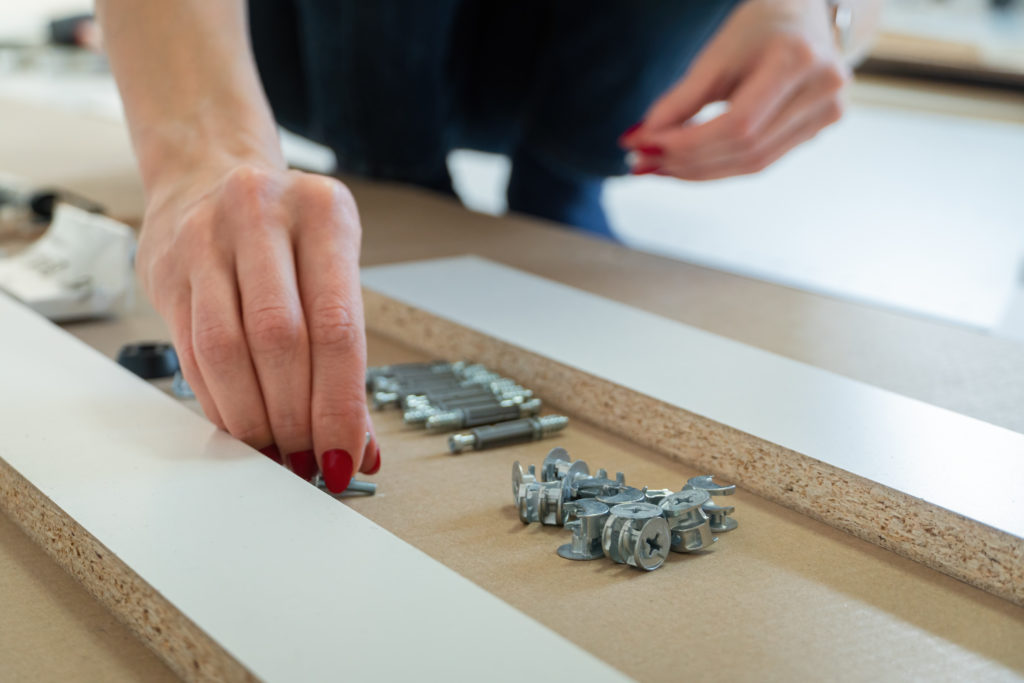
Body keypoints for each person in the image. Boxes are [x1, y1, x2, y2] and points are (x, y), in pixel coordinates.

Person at [94, 0, 877, 493]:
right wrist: (204, 150)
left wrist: (816, 10)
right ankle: (395, 170)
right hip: (316, 44)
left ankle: (561, 178)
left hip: (565, 54)